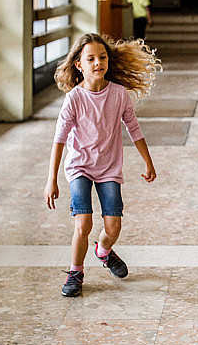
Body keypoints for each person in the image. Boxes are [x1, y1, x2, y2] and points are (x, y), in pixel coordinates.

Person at [44, 33, 159, 297]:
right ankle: (75, 273)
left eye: (102, 57)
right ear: (79, 65)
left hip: (108, 168)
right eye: (91, 59)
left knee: (113, 227)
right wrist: (52, 179)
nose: (98, 63)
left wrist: (148, 161)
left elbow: (134, 129)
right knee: (83, 224)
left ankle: (103, 251)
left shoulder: (119, 95)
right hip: (79, 167)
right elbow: (59, 141)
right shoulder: (74, 98)